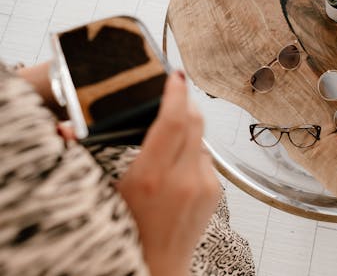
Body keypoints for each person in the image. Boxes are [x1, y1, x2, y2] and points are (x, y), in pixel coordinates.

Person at [0, 61, 255, 275]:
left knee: (216, 214)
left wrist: (56, 82)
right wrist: (161, 261)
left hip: (128, 161)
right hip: (176, 252)